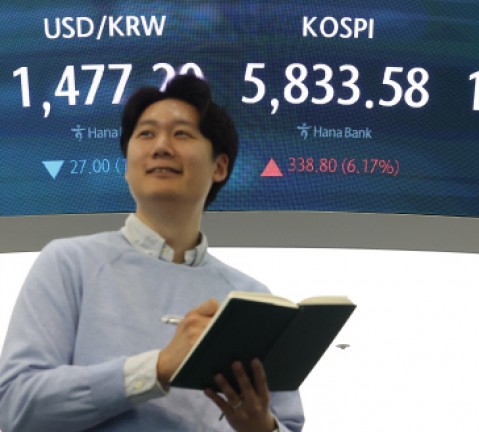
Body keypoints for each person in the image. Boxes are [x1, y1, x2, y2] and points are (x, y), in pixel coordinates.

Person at [0, 74, 304, 431]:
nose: (161, 146)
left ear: (219, 167)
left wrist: (261, 426)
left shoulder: (252, 300)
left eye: (182, 134)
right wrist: (157, 368)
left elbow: (287, 423)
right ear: (127, 165)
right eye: (146, 134)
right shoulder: (68, 263)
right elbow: (14, 406)